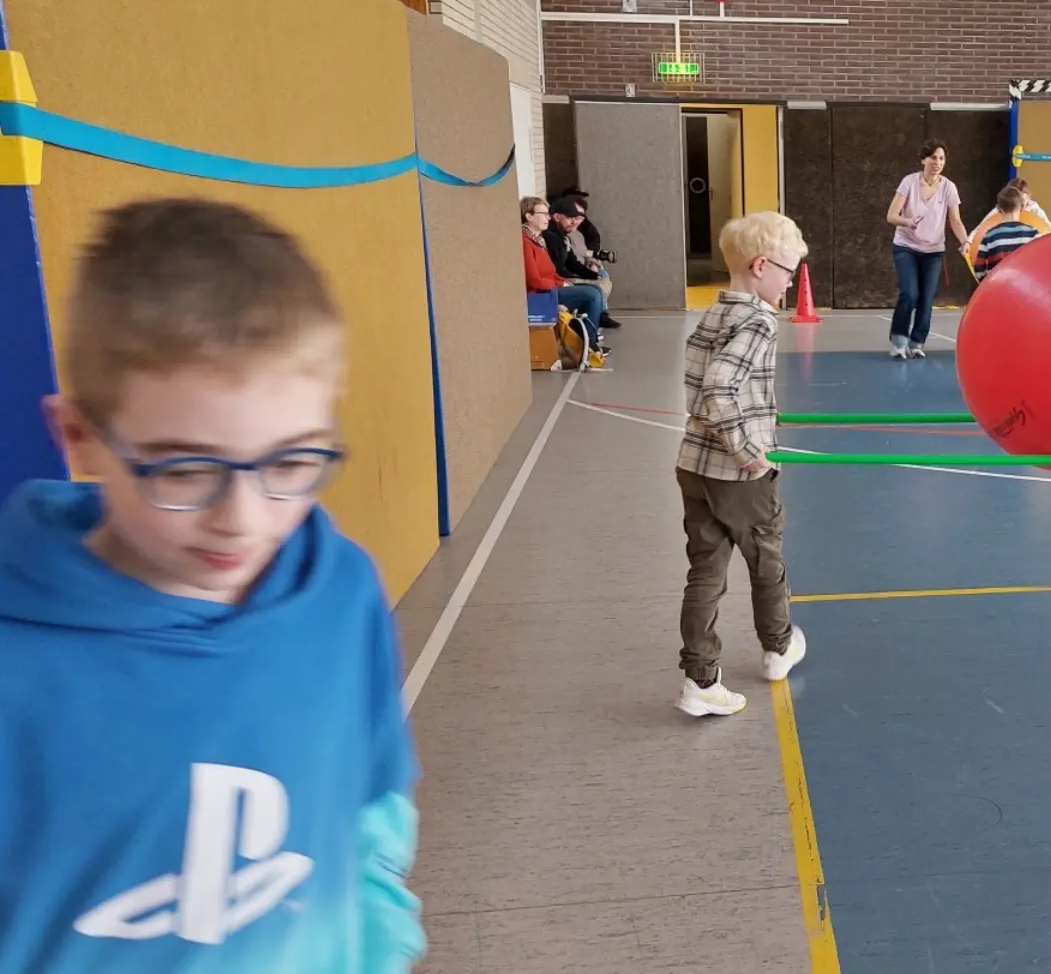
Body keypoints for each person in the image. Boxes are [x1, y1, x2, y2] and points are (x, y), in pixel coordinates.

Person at [0, 199, 425, 970]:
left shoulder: (340, 590)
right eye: (185, 468)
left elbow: (367, 816)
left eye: (292, 463)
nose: (244, 519)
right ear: (79, 437)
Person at [675, 211, 811, 717]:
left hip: (694, 463)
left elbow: (698, 383)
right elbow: (718, 389)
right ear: (760, 266)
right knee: (765, 558)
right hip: (739, 473)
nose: (791, 281)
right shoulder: (758, 320)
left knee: (705, 571)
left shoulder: (715, 313)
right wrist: (745, 448)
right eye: (788, 270)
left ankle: (700, 680)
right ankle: (778, 646)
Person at [884, 139, 968, 359]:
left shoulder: (949, 187)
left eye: (941, 158)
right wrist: (908, 221)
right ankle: (899, 341)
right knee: (909, 293)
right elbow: (891, 215)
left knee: (926, 298)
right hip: (906, 247)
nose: (937, 162)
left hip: (933, 252)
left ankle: (917, 342)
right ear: (923, 159)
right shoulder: (909, 182)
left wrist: (965, 241)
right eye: (933, 158)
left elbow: (955, 220)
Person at [522, 196, 609, 361]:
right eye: (544, 213)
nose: (549, 217)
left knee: (595, 290)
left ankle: (586, 342)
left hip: (550, 288)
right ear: (529, 216)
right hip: (540, 295)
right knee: (592, 295)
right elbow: (534, 280)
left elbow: (551, 271)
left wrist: (562, 281)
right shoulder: (525, 242)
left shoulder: (538, 240)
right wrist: (559, 283)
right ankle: (587, 346)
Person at [544, 196, 620, 329]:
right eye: (570, 218)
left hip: (566, 276)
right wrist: (580, 278)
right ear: (556, 217)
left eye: (578, 218)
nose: (574, 222)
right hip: (559, 281)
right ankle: (589, 334)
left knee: (601, 279)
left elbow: (572, 260)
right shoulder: (551, 237)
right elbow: (557, 269)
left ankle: (595, 321)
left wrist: (591, 274)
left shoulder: (563, 235)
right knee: (594, 291)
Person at [963, 183, 1051, 281]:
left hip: (997, 287)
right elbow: (1042, 263)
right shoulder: (1033, 233)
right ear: (1022, 207)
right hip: (1025, 288)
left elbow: (979, 269)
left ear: (998, 209)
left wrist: (987, 283)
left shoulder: (989, 236)